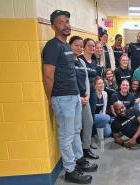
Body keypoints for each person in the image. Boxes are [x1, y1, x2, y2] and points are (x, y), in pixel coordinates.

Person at [42, 10, 96, 184]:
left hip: (73, 96)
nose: (66, 25)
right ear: (53, 26)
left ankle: (79, 159)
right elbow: (48, 75)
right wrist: (51, 98)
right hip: (62, 97)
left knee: (75, 131)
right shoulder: (52, 46)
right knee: (66, 135)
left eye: (67, 21)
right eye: (60, 22)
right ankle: (70, 171)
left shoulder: (66, 46)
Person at [70, 36, 99, 160]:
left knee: (89, 122)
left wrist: (86, 95)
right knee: (76, 127)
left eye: (80, 46)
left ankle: (86, 149)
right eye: (76, 45)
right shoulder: (67, 62)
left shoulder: (81, 62)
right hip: (73, 99)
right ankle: (76, 154)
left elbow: (86, 80)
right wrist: (78, 97)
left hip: (85, 97)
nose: (79, 48)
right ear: (69, 45)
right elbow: (70, 82)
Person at [78, 38, 102, 149]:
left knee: (91, 117)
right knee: (84, 119)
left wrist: (98, 89)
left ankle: (91, 137)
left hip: (92, 92)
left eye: (93, 46)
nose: (92, 48)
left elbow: (95, 78)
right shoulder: (79, 59)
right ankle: (86, 140)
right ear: (84, 47)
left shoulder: (94, 61)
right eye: (89, 46)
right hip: (82, 93)